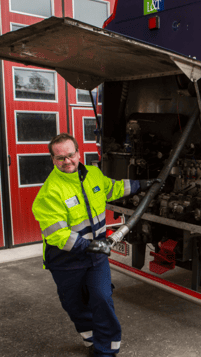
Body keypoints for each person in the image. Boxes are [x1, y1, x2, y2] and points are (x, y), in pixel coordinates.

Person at [32, 133, 156, 357]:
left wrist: (143, 185)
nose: (67, 161)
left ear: (79, 154)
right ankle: (89, 338)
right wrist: (89, 246)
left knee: (102, 298)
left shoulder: (94, 175)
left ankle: (106, 350)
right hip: (66, 260)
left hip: (96, 256)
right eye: (60, 158)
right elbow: (58, 235)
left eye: (70, 155)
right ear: (53, 160)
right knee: (75, 305)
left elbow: (114, 188)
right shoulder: (49, 193)